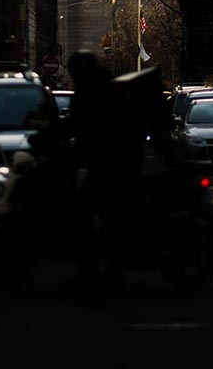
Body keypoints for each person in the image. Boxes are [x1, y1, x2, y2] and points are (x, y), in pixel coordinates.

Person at [63, 52, 143, 283]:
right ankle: (109, 266)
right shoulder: (102, 86)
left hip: (112, 163)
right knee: (108, 214)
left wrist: (48, 136)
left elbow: (78, 123)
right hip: (114, 161)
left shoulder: (92, 91)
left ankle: (97, 267)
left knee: (85, 212)